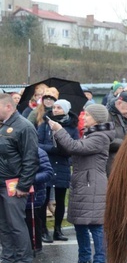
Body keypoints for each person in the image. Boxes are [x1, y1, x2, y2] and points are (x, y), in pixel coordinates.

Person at [48, 104, 115, 263]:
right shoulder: (90, 134)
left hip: (92, 185)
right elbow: (69, 148)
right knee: (80, 223)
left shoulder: (100, 137)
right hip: (83, 184)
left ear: (97, 118)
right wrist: (56, 133)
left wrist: (60, 129)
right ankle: (85, 259)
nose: (84, 118)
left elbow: (75, 148)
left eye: (87, 115)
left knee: (95, 225)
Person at [0, 93, 39, 263]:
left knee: (16, 223)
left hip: (13, 184)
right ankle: (7, 259)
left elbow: (30, 159)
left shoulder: (24, 126)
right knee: (3, 224)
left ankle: (23, 260)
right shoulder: (3, 126)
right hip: (1, 182)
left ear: (8, 106)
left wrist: (23, 186)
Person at [38, 98, 79, 242]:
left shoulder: (72, 127)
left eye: (59, 108)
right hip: (47, 164)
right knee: (44, 199)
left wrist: (63, 150)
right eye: (54, 107)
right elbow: (38, 144)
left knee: (61, 200)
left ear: (66, 110)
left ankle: (58, 229)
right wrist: (53, 149)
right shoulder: (45, 125)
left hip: (62, 165)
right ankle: (43, 230)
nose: (55, 110)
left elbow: (73, 146)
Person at [25, 148, 53, 256]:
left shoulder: (38, 152)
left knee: (32, 221)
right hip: (15, 193)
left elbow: (48, 172)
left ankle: (35, 246)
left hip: (34, 195)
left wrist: (28, 179)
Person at [106, 91, 127, 175]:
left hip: (124, 165)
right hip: (110, 166)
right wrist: (126, 144)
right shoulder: (107, 117)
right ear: (119, 103)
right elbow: (104, 140)